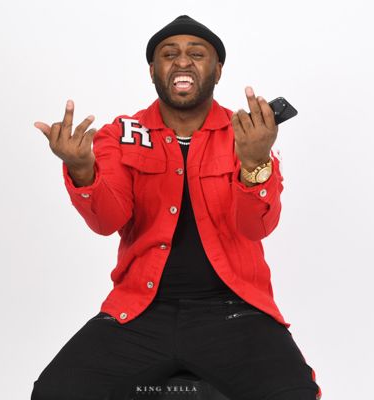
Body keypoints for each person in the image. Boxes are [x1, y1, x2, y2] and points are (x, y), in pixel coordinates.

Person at [32, 15, 322, 400]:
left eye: (196, 54)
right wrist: (82, 169)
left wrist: (255, 162)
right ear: (153, 70)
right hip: (140, 311)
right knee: (56, 392)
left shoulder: (248, 134)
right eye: (169, 54)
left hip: (236, 311)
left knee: (295, 393)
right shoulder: (121, 134)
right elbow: (108, 221)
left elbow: (257, 227)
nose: (182, 61)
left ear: (217, 70)